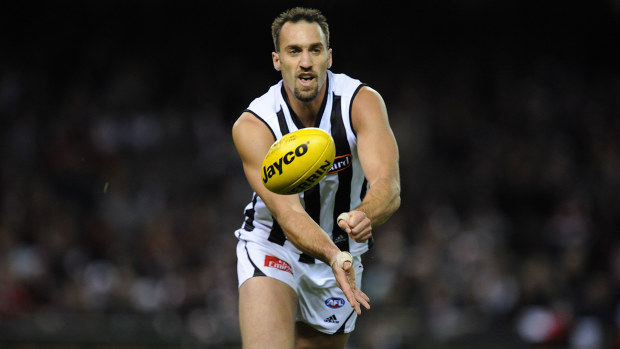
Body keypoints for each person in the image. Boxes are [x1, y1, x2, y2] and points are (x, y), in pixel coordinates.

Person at [232, 7, 400, 349]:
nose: (305, 61)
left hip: (341, 252)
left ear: (329, 56)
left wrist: (364, 215)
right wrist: (332, 253)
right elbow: (288, 213)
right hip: (274, 244)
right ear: (278, 61)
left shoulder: (360, 103)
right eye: (294, 51)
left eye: (315, 49)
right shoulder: (254, 125)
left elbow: (389, 185)